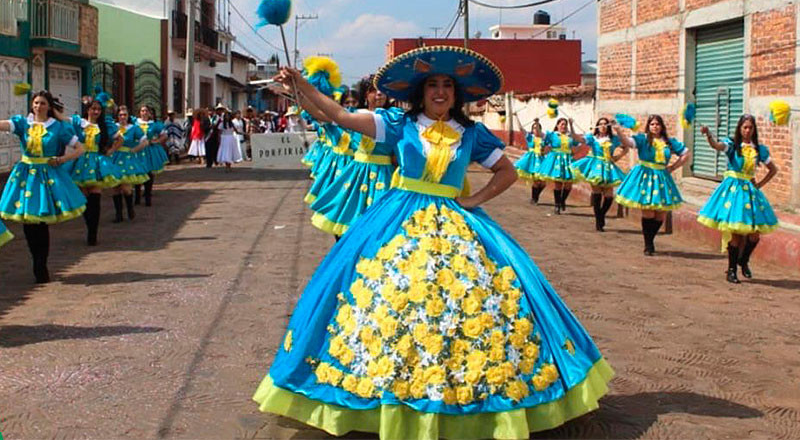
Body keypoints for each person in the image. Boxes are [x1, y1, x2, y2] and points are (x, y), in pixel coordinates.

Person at [254, 46, 613, 439]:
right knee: (390, 297)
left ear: (457, 94)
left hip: (457, 221)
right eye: (432, 85)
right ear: (420, 92)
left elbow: (507, 172)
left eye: (447, 85)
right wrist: (300, 84)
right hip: (397, 218)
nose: (440, 91)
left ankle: (462, 394)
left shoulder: (471, 133)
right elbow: (339, 116)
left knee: (472, 300)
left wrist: (474, 201)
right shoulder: (397, 124)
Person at [0, 90, 87, 282]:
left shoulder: (58, 127)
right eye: (36, 103)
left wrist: (62, 159)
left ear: (49, 107)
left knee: (41, 220)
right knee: (28, 221)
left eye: (43, 103)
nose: (39, 106)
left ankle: (41, 264)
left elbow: (80, 148)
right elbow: (3, 125)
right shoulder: (23, 123)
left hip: (47, 176)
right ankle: (36, 261)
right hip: (25, 176)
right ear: (32, 105)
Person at [309, 79, 398, 238]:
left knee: (382, 226)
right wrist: (299, 90)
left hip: (385, 176)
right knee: (347, 223)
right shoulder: (355, 116)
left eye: (383, 90)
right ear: (366, 94)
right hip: (357, 176)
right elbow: (318, 113)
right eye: (373, 90)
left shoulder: (395, 118)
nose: (379, 94)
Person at [696, 116, 779, 283]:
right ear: (739, 128)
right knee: (736, 233)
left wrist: (759, 184)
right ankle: (731, 270)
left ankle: (743, 260)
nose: (747, 131)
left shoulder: (759, 149)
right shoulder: (732, 144)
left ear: (754, 130)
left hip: (750, 192)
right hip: (734, 192)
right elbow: (717, 146)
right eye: (744, 127)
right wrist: (709, 135)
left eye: (750, 128)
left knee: (754, 235)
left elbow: (773, 169)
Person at [616, 115, 691, 255]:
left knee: (660, 215)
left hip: (662, 178)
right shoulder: (643, 139)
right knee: (648, 212)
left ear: (662, 126)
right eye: (652, 124)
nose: (655, 126)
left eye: (657, 124)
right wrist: (618, 130)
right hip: (645, 176)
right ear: (648, 126)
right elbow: (627, 142)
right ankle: (648, 244)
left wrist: (673, 167)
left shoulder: (669, 142)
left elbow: (685, 154)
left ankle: (650, 239)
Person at [67, 97, 123, 245]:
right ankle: (90, 226)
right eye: (93, 109)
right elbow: (63, 120)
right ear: (88, 110)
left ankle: (93, 233)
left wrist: (111, 150)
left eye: (98, 109)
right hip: (80, 163)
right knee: (84, 200)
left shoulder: (105, 126)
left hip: (96, 162)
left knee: (95, 198)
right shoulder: (79, 123)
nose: (96, 111)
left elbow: (120, 139)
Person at [571, 118, 629, 231]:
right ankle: (599, 221)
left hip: (609, 168)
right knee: (597, 193)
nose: (603, 126)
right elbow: (577, 138)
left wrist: (618, 156)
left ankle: (601, 215)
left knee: (609, 196)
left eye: (605, 124)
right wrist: (571, 125)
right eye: (600, 124)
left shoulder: (613, 139)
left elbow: (626, 145)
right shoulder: (592, 138)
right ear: (597, 126)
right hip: (596, 167)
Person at [534, 117, 584, 214]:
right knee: (558, 184)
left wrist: (572, 125)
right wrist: (537, 123)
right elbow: (540, 135)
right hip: (556, 160)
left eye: (565, 124)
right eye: (562, 124)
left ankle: (562, 200)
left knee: (568, 184)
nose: (564, 126)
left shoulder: (570, 136)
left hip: (568, 160)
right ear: (557, 125)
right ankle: (557, 205)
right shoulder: (553, 135)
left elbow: (578, 141)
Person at [110, 105, 149, 222]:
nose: (122, 117)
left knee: (126, 187)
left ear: (128, 116)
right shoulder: (113, 127)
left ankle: (130, 208)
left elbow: (145, 141)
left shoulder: (134, 128)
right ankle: (118, 214)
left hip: (127, 159)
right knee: (115, 187)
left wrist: (134, 150)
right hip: (114, 157)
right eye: (120, 115)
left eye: (125, 115)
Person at [134, 105, 168, 206]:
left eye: (146, 111)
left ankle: (148, 196)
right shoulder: (135, 123)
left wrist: (156, 141)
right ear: (139, 112)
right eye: (142, 111)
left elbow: (164, 135)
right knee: (137, 172)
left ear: (149, 113)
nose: (144, 113)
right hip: (138, 150)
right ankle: (137, 196)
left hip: (149, 151)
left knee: (149, 173)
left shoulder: (154, 125)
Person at [514, 119, 547, 204]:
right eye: (534, 128)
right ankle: (534, 199)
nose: (536, 130)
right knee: (536, 180)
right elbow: (521, 129)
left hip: (541, 159)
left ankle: (535, 196)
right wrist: (516, 117)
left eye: (537, 128)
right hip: (532, 159)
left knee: (543, 183)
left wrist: (537, 123)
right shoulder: (530, 137)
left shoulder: (543, 138)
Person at [215, 107, 242, 171]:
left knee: (230, 152)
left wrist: (244, 134)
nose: (227, 117)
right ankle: (227, 165)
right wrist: (219, 140)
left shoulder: (232, 124)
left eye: (228, 116)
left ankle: (229, 165)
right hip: (224, 139)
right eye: (226, 116)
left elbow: (237, 131)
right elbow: (219, 133)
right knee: (225, 152)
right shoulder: (222, 124)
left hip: (231, 139)